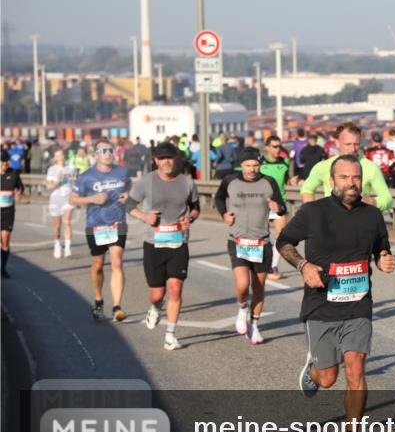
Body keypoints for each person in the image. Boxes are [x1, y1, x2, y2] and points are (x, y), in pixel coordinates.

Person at [276, 155, 395, 432]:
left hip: (358, 305)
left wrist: (385, 260)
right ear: (332, 181)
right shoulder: (313, 212)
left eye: (356, 178)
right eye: (344, 177)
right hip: (321, 305)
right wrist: (303, 265)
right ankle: (314, 372)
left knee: (356, 367)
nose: (351, 183)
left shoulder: (372, 215)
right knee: (328, 378)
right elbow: (284, 241)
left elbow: (382, 248)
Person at [126, 142, 200, 351]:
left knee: (175, 289)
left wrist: (190, 219)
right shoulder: (146, 182)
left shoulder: (187, 183)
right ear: (155, 160)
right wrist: (144, 216)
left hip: (179, 242)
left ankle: (170, 335)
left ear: (176, 158)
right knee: (157, 294)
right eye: (161, 158)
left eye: (169, 157)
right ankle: (155, 307)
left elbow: (195, 208)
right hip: (153, 243)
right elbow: (129, 205)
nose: (166, 161)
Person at [215, 147, 287, 345]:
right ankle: (242, 308)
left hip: (261, 242)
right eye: (248, 165)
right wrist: (224, 214)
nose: (252, 169)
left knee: (259, 286)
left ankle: (254, 326)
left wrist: (277, 207)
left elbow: (282, 208)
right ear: (241, 165)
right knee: (242, 284)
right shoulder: (230, 181)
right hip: (237, 240)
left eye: (255, 165)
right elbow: (219, 198)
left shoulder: (268, 182)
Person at [69, 139, 132, 322]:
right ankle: (98, 300)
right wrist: (92, 199)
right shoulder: (86, 176)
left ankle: (117, 307)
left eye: (110, 150)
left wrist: (127, 195)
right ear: (96, 155)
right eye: (104, 150)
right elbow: (72, 199)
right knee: (97, 265)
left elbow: (129, 185)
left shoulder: (122, 171)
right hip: (95, 225)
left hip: (117, 224)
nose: (108, 153)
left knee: (117, 262)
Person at [300, 123, 393, 211]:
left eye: (356, 144)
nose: (353, 149)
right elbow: (307, 189)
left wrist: (373, 202)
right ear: (337, 142)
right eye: (348, 144)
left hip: (359, 223)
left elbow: (388, 199)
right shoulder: (322, 167)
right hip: (331, 224)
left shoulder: (371, 168)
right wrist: (313, 213)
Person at [260, 135, 293, 280]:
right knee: (262, 236)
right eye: (274, 146)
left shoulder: (285, 163)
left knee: (281, 236)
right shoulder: (260, 164)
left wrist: (295, 180)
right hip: (262, 204)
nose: (277, 149)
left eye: (279, 146)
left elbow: (288, 180)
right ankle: (259, 264)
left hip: (279, 204)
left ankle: (272, 266)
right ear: (267, 147)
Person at [46, 149, 76, 258]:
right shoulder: (51, 169)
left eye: (62, 154)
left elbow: (74, 183)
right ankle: (57, 244)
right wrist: (58, 180)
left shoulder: (70, 168)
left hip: (68, 198)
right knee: (57, 226)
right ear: (55, 158)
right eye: (58, 155)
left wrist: (73, 180)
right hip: (55, 199)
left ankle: (68, 248)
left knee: (67, 222)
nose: (61, 157)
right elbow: (48, 187)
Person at [1, 150, 25, 279]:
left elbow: (20, 187)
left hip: (8, 211)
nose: (4, 166)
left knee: (5, 241)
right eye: (2, 164)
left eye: (6, 163)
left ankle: (3, 269)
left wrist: (19, 192)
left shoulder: (14, 174)